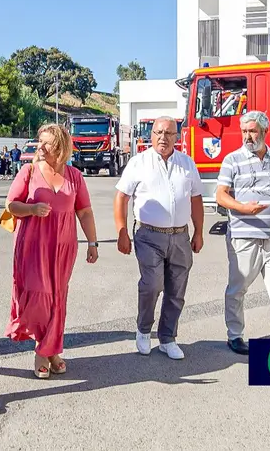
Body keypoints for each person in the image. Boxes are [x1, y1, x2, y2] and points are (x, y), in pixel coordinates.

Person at [4, 123, 98, 378]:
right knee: (40, 297)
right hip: (33, 246)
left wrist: (92, 243)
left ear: (61, 146)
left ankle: (52, 349)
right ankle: (42, 350)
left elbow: (85, 211)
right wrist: (32, 209)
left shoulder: (75, 176)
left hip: (64, 247)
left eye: (47, 142)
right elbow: (11, 205)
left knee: (58, 298)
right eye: (40, 141)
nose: (41, 147)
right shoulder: (29, 170)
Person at [113, 116, 204, 360]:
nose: (163, 137)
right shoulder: (138, 163)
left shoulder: (187, 163)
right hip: (148, 235)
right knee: (152, 284)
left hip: (180, 236)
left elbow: (196, 199)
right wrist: (121, 232)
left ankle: (167, 338)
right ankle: (143, 330)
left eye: (169, 133)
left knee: (177, 290)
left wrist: (199, 232)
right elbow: (121, 197)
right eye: (158, 132)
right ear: (151, 135)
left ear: (177, 137)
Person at [216, 110, 270, 355]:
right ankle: (235, 335)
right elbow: (220, 195)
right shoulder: (232, 160)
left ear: (264, 132)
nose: (247, 137)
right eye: (244, 132)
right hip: (244, 239)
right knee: (237, 289)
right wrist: (243, 208)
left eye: (252, 131)